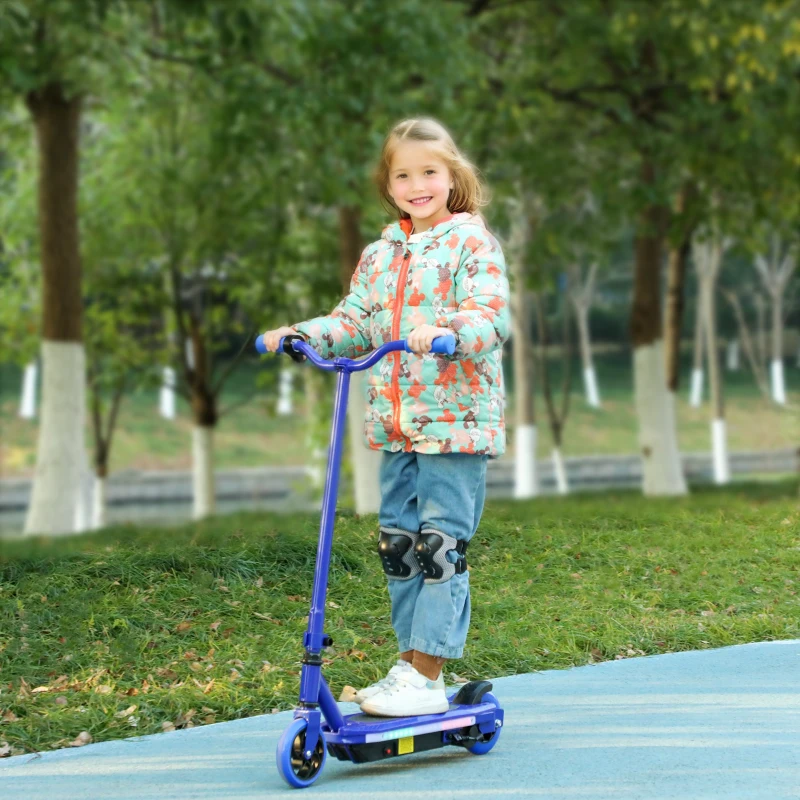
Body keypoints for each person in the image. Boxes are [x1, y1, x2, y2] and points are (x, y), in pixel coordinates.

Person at [261, 118, 509, 717]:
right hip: (397, 426)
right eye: (404, 174)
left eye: (430, 171)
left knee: (439, 543)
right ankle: (409, 668)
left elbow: (490, 315)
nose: (417, 184)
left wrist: (448, 332)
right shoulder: (379, 254)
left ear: (453, 177)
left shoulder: (471, 244)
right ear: (389, 184)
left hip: (455, 425)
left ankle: (428, 672)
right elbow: (354, 321)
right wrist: (302, 334)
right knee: (399, 544)